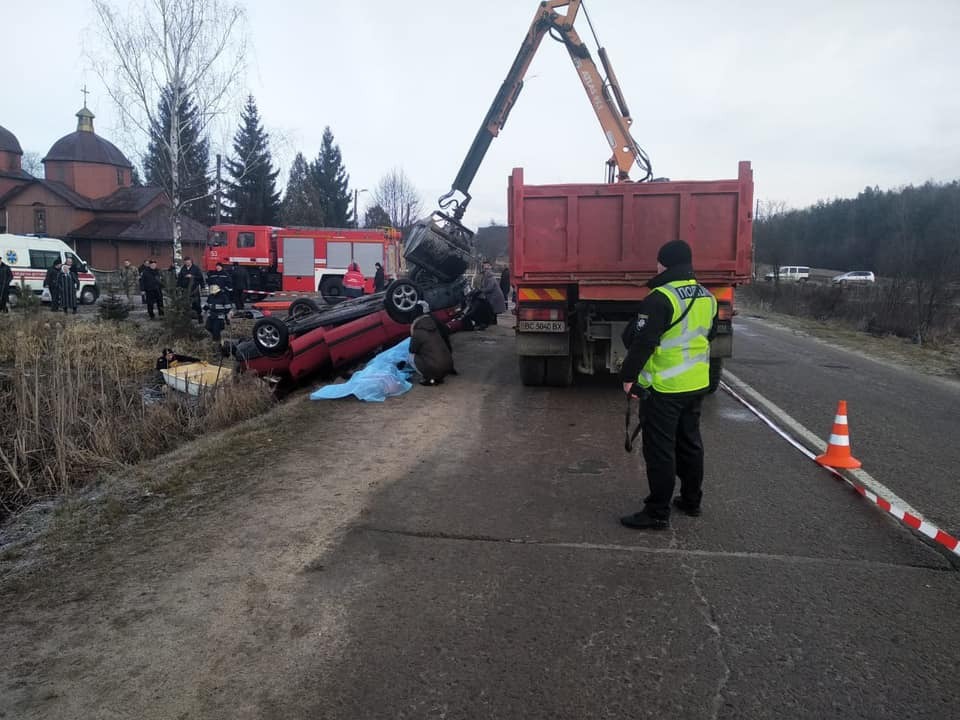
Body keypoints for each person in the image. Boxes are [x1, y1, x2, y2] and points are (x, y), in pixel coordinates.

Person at [618, 240, 718, 530]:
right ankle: (691, 500)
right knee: (690, 443)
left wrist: (627, 378)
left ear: (664, 264)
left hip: (664, 387)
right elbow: (709, 335)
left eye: (658, 262)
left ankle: (657, 512)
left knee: (660, 450)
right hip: (696, 383)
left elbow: (641, 342)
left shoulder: (660, 298)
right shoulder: (707, 296)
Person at [409, 301, 456, 386]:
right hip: (449, 365)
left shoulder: (418, 331)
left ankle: (430, 378)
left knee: (411, 356)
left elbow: (412, 350)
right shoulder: (434, 324)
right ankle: (438, 375)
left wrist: (413, 336)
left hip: (437, 368)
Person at [177, 256, 205, 321]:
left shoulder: (196, 268)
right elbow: (179, 278)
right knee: (186, 304)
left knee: (197, 303)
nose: (187, 263)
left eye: (188, 262)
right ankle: (188, 318)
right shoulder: (183, 269)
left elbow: (200, 278)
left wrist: (192, 276)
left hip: (194, 289)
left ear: (191, 261)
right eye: (186, 262)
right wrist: (178, 286)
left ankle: (199, 317)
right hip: (185, 289)